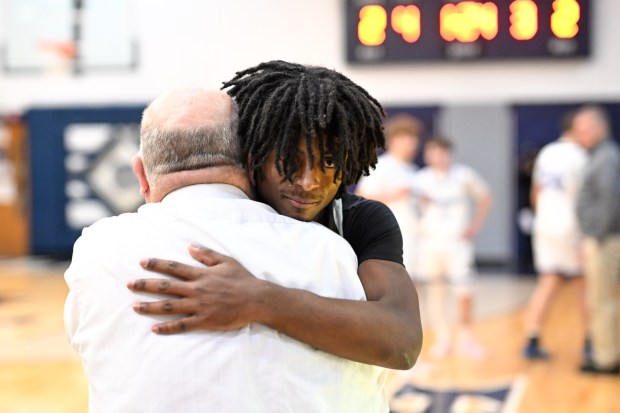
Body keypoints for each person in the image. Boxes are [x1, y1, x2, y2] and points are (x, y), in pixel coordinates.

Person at [64, 88, 391, 412]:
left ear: (140, 173)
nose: (307, 183)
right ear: (252, 163)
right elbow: (388, 355)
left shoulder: (99, 250)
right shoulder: (329, 248)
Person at [127, 60, 423, 370]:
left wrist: (259, 300)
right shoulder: (220, 213)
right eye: (288, 160)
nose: (308, 182)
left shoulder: (362, 220)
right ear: (253, 155)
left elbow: (402, 342)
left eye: (331, 162)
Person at [413, 137, 492, 359]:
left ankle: (466, 339)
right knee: (434, 291)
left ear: (450, 153)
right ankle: (442, 339)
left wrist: (475, 226)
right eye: (433, 152)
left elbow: (485, 197)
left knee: (464, 291)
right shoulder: (420, 180)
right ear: (427, 155)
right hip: (429, 244)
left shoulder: (464, 176)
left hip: (457, 244)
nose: (438, 156)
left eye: (442, 152)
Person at [522, 110, 590, 360]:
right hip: (572, 227)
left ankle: (531, 338)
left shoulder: (547, 152)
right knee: (585, 285)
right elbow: (585, 200)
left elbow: (536, 193)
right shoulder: (582, 156)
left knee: (548, 283)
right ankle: (591, 343)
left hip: (545, 225)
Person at [574, 105, 620, 375]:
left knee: (601, 301)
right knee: (601, 300)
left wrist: (597, 235)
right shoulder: (599, 156)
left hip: (605, 240)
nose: (581, 135)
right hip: (601, 238)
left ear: (600, 128)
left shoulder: (605, 158)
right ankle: (609, 352)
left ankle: (606, 359)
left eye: (585, 129)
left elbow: (609, 202)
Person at [356, 113, 423, 278]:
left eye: (414, 140)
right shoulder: (381, 167)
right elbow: (362, 198)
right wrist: (395, 194)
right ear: (393, 140)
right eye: (406, 139)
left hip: (413, 235)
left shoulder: (412, 170)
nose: (411, 145)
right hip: (391, 236)